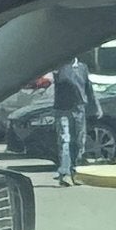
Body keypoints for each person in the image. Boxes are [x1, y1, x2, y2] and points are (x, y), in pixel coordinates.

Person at [45, 55, 95, 184]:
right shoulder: (59, 68)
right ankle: (64, 172)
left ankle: (74, 171)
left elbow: (88, 87)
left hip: (79, 108)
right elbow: (59, 78)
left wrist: (95, 107)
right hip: (63, 109)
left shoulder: (83, 67)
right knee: (65, 140)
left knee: (78, 142)